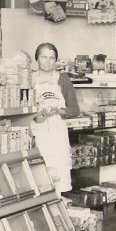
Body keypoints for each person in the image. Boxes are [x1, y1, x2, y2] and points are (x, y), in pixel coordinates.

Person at [30, 42, 80, 194]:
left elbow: (75, 109)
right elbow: (22, 107)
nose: (47, 61)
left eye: (51, 58)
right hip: (37, 132)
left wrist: (59, 111)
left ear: (56, 60)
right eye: (43, 57)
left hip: (57, 133)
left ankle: (58, 201)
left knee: (59, 173)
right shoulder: (30, 78)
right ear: (37, 59)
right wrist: (37, 115)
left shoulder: (63, 79)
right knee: (38, 172)